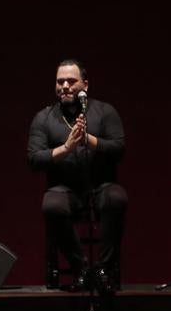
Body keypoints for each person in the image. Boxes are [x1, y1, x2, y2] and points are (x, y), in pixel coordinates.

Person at [26, 59, 128, 291]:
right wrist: (66, 149)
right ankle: (80, 268)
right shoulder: (43, 118)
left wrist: (89, 140)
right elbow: (33, 159)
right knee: (52, 205)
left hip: (101, 184)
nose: (64, 86)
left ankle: (103, 269)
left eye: (71, 81)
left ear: (85, 85)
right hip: (64, 188)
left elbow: (119, 150)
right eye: (60, 81)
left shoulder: (105, 111)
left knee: (116, 198)